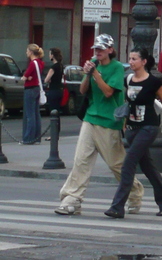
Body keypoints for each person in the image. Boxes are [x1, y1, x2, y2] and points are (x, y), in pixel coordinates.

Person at [56, 35, 144, 216]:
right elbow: (82, 90)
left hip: (109, 121)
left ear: (110, 50)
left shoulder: (117, 68)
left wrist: (95, 73)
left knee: (116, 164)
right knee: (81, 160)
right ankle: (72, 198)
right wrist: (87, 74)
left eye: (102, 49)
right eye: (96, 48)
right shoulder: (93, 63)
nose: (98, 52)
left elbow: (108, 92)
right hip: (90, 118)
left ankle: (135, 193)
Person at [106, 48, 162, 219]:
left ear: (144, 62)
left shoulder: (153, 82)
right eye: (130, 58)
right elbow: (126, 103)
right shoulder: (128, 79)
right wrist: (123, 123)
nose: (131, 61)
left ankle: (117, 206)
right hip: (132, 129)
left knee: (128, 163)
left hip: (149, 127)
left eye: (135, 58)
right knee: (148, 167)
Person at [19, 44, 45, 144]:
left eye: (27, 51)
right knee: (36, 114)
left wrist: (26, 77)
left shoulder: (32, 63)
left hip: (29, 89)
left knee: (29, 115)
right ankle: (37, 137)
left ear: (31, 52)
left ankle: (28, 138)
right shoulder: (40, 63)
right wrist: (28, 77)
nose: (26, 52)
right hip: (37, 88)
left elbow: (24, 77)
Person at [44, 48, 65, 116]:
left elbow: (46, 79)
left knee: (53, 110)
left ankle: (54, 125)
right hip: (59, 90)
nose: (49, 56)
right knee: (57, 110)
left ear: (53, 55)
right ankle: (57, 125)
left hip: (53, 90)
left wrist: (48, 80)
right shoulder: (61, 66)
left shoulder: (53, 67)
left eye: (50, 54)